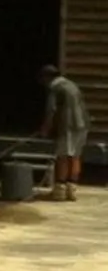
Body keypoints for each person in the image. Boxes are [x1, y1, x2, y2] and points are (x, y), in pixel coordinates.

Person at [35, 65, 89, 201]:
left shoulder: (55, 88)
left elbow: (51, 110)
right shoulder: (72, 85)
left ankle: (60, 189)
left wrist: (45, 129)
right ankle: (72, 189)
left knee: (62, 156)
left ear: (47, 78)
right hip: (82, 124)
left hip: (67, 125)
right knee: (75, 156)